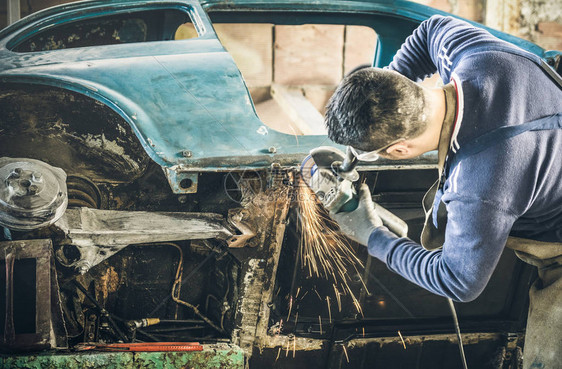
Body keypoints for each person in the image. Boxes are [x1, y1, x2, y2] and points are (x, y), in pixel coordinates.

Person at [324, 15, 562, 369]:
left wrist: (374, 237)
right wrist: (387, 88)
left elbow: (458, 280)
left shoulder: (480, 183)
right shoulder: (474, 54)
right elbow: (429, 28)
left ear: (400, 150)